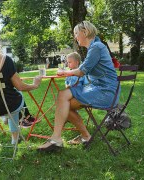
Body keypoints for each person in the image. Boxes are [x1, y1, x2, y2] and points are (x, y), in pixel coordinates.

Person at [37, 21, 120, 152]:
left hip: (105, 92)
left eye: (76, 33)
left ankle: (58, 139)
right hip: (101, 89)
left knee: (63, 100)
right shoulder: (95, 47)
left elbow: (81, 71)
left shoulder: (96, 47)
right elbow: (82, 69)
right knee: (63, 101)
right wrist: (69, 73)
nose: (75, 37)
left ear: (85, 32)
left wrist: (65, 72)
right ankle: (80, 137)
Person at [0, 27, 42, 145]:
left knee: (9, 99)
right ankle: (15, 137)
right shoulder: (5, 60)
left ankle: (10, 119)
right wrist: (34, 85)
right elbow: (20, 86)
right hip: (7, 106)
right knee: (15, 96)